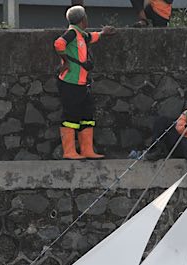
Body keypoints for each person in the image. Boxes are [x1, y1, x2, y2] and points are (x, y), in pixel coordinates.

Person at [53, 6, 116, 160]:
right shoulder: (72, 33)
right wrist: (66, 61)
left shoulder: (81, 35)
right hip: (70, 82)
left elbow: (91, 37)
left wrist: (103, 33)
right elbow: (59, 44)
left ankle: (87, 150)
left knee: (87, 115)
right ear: (83, 20)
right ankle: (69, 151)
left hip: (81, 83)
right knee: (70, 116)